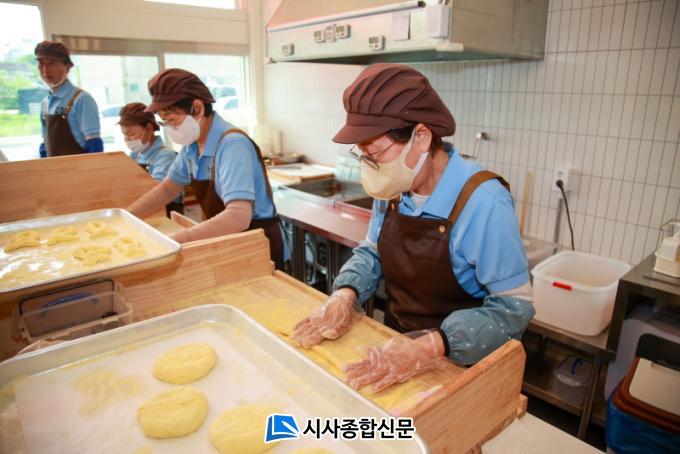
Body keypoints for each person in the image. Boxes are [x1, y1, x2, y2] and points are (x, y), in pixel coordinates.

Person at [291, 64, 535, 392]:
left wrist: (430, 346)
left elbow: (515, 309)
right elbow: (373, 252)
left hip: (459, 367)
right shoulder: (395, 186)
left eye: (375, 154)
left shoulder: (484, 203)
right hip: (394, 348)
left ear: (421, 137)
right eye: (363, 155)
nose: (371, 168)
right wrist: (345, 294)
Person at [127, 68, 285, 269]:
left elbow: (238, 216)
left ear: (197, 108)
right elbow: (168, 188)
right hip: (228, 241)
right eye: (165, 122)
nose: (170, 129)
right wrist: (126, 217)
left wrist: (172, 241)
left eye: (172, 120)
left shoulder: (232, 145)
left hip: (257, 247)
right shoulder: (192, 147)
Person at [34, 41, 103, 158]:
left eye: (51, 63)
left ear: (68, 67)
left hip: (79, 168)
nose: (45, 70)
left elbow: (94, 145)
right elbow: (45, 144)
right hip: (54, 168)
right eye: (41, 64)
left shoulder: (82, 99)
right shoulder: (45, 103)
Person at [118, 102, 183, 216]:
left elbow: (159, 191)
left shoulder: (165, 156)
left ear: (149, 128)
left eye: (131, 134)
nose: (128, 139)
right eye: (124, 135)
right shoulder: (135, 155)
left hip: (164, 215)